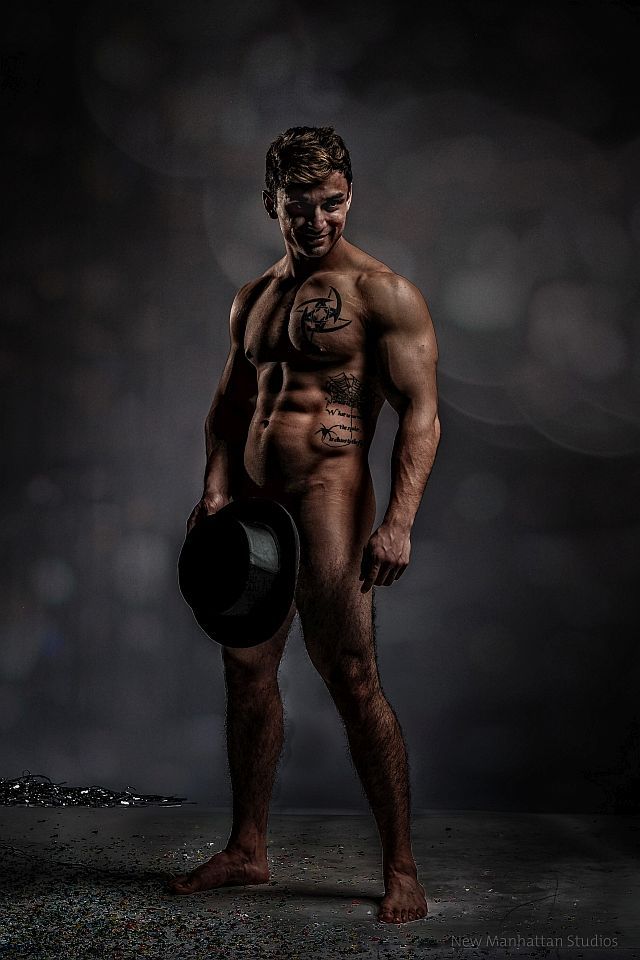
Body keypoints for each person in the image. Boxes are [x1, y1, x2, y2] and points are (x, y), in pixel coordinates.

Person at [169, 126, 440, 924]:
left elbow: (422, 415)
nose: (318, 220)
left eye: (333, 202)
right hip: (255, 507)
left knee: (351, 676)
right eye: (300, 205)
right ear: (272, 204)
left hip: (331, 499)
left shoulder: (384, 294)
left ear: (349, 197)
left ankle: (402, 868)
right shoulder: (253, 299)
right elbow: (227, 408)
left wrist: (400, 522)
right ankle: (247, 849)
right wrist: (215, 487)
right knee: (247, 673)